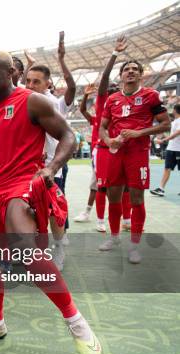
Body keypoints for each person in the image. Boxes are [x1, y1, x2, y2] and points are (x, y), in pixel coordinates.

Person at [0, 51, 101, 354]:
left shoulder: (33, 101)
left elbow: (68, 135)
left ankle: (78, 325)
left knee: (27, 248)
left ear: (11, 72)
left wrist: (51, 167)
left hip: (23, 184)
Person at [98, 60, 171, 263]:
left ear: (141, 75)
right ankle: (114, 238)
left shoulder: (151, 96)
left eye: (134, 69)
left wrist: (140, 132)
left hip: (138, 153)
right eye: (126, 69)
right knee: (113, 196)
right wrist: (108, 140)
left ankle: (134, 246)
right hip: (116, 152)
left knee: (137, 199)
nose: (130, 72)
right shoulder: (112, 99)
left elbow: (166, 124)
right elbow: (102, 127)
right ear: (121, 75)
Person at [23, 32, 75, 269]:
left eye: (37, 81)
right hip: (27, 167)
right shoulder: (23, 100)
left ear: (48, 84)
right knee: (29, 210)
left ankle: (59, 247)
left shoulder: (56, 103)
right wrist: (30, 65)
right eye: (28, 81)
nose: (31, 85)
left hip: (52, 166)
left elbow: (72, 87)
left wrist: (61, 59)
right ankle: (35, 251)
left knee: (55, 210)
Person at [75, 36, 127, 232]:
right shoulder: (101, 108)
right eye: (109, 89)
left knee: (123, 188)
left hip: (121, 150)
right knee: (98, 186)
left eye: (116, 88)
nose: (112, 90)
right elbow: (84, 110)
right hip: (102, 151)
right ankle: (96, 217)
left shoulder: (123, 106)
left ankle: (126, 220)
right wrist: (114, 54)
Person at [151, 104, 180, 196]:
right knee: (167, 168)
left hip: (178, 149)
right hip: (171, 148)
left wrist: (164, 140)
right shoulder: (175, 121)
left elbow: (178, 132)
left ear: (175, 110)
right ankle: (161, 189)